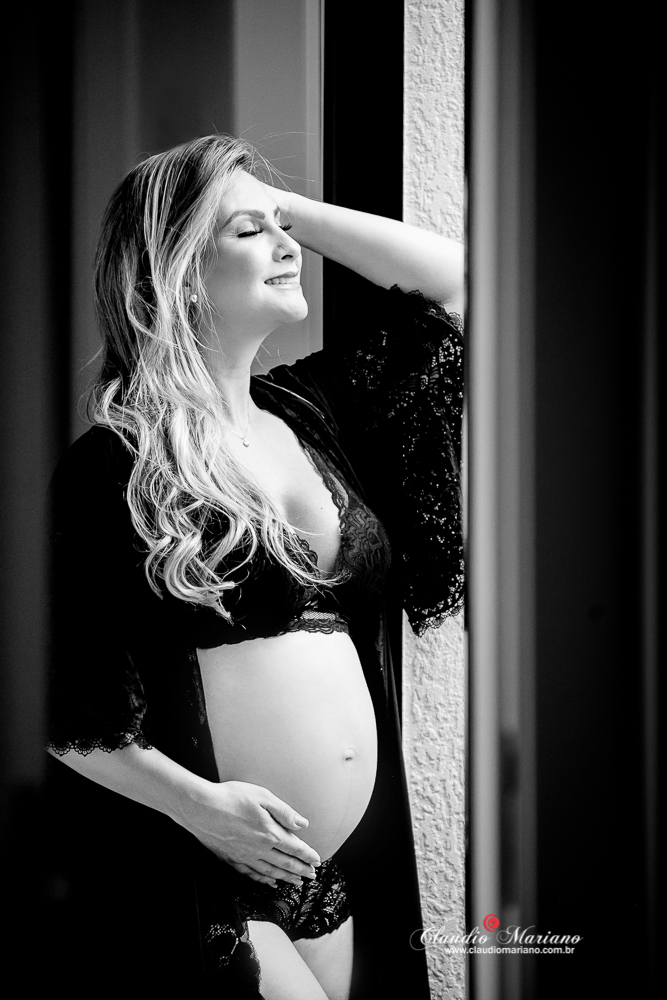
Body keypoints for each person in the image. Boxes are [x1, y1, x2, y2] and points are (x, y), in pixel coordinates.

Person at [46, 134, 464, 999]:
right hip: (201, 860)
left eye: (284, 229)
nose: (286, 246)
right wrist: (202, 809)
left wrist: (280, 207)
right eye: (250, 232)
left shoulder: (312, 412)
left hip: (330, 871)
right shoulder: (117, 462)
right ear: (181, 274)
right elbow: (70, 707)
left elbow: (457, 287)